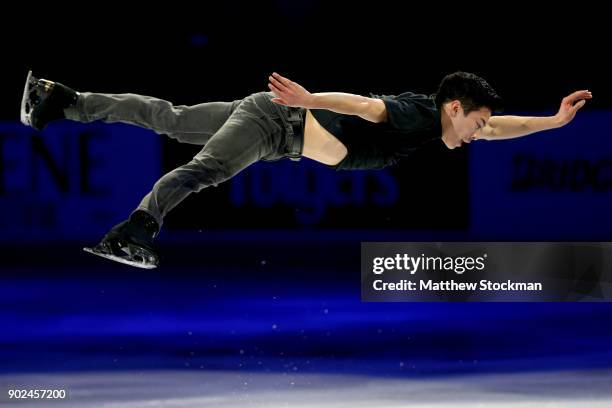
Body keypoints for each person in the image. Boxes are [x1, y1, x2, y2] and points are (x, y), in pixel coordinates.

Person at [20, 70, 592, 268]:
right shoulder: (420, 115)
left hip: (278, 125)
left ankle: (62, 99)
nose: (479, 133)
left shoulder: (440, 121)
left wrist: (553, 122)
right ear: (453, 109)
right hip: (279, 124)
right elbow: (366, 106)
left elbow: (505, 127)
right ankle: (137, 228)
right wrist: (310, 98)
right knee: (206, 170)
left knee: (169, 118)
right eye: (476, 122)